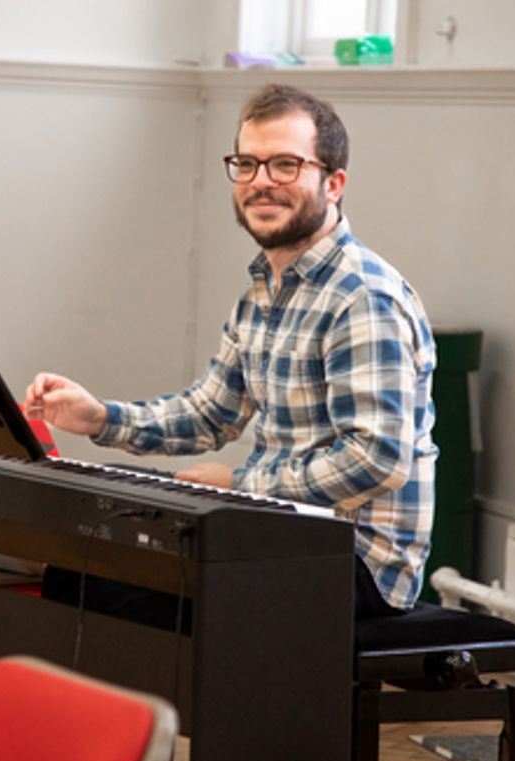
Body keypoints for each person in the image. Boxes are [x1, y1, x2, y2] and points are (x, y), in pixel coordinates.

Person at [25, 84, 437, 620]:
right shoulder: (265, 286)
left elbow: (376, 460)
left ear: (333, 184)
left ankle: (165, 708)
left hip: (353, 563)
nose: (261, 182)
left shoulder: (364, 297)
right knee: (91, 563)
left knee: (104, 589)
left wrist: (239, 484)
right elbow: (210, 413)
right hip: (275, 533)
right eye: (248, 164)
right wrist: (101, 417)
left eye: (285, 165)